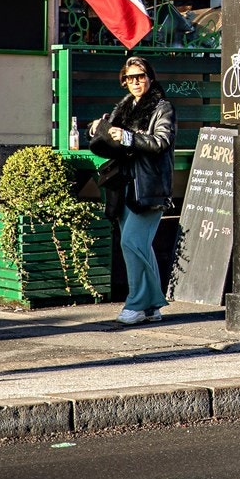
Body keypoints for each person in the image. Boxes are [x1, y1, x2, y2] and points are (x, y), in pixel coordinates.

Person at [89, 55, 175, 324]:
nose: (136, 82)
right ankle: (152, 306)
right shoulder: (124, 108)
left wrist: (128, 137)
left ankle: (137, 304)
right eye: (130, 78)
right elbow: (111, 136)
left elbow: (161, 142)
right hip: (125, 185)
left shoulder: (163, 108)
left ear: (150, 77)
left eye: (141, 76)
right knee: (140, 247)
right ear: (124, 82)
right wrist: (100, 128)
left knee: (131, 243)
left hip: (149, 186)